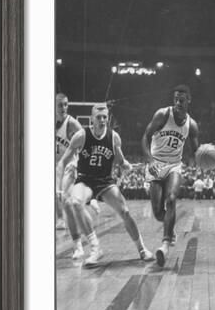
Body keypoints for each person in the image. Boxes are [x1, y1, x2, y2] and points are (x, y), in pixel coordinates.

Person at [57, 103, 153, 265]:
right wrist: (59, 187)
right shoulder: (81, 135)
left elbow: (121, 160)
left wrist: (127, 165)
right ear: (91, 119)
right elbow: (62, 162)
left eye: (105, 117)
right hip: (85, 179)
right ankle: (95, 248)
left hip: (105, 182)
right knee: (75, 202)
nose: (102, 120)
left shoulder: (113, 137)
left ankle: (142, 248)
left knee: (125, 212)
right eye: (98, 117)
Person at [142, 85, 200, 266]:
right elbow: (145, 137)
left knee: (172, 198)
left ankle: (165, 245)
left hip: (174, 165)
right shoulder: (162, 115)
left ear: (189, 100)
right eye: (175, 99)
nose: (177, 103)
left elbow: (196, 150)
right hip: (156, 163)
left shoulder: (192, 125)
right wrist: (150, 161)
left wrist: (203, 158)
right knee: (158, 212)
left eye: (181, 100)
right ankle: (170, 229)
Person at [55, 93, 82, 229]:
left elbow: (86, 138)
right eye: (60, 105)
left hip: (70, 164)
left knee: (62, 194)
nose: (64, 107)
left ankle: (67, 220)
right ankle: (61, 219)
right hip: (56, 165)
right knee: (57, 194)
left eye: (66, 104)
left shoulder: (72, 123)